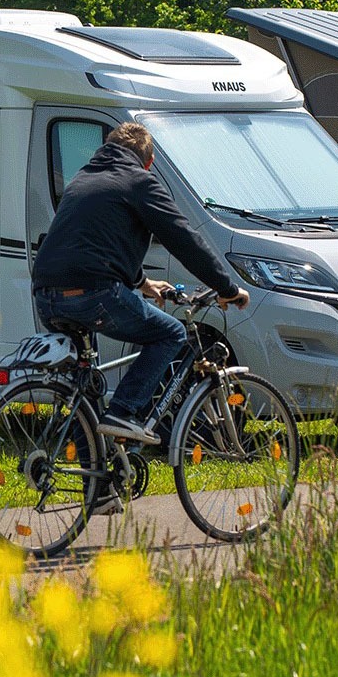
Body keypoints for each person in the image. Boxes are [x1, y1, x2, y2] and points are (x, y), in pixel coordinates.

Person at [31, 122, 250, 446]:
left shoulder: (83, 179)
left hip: (47, 295)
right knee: (171, 333)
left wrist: (143, 283)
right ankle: (124, 411)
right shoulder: (139, 180)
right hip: (93, 294)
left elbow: (94, 243)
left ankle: (99, 488)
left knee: (86, 391)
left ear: (106, 149)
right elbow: (182, 238)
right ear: (147, 161)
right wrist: (227, 288)